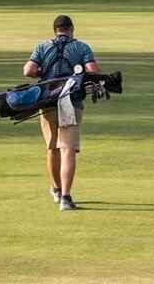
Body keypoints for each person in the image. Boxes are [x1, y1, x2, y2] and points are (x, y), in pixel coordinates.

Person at [23, 14, 100, 211]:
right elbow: (93, 70)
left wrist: (44, 73)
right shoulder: (81, 47)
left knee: (52, 148)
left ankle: (56, 190)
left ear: (55, 30)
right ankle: (66, 198)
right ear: (71, 28)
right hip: (71, 103)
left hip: (47, 102)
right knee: (68, 150)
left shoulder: (42, 47)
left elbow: (28, 71)